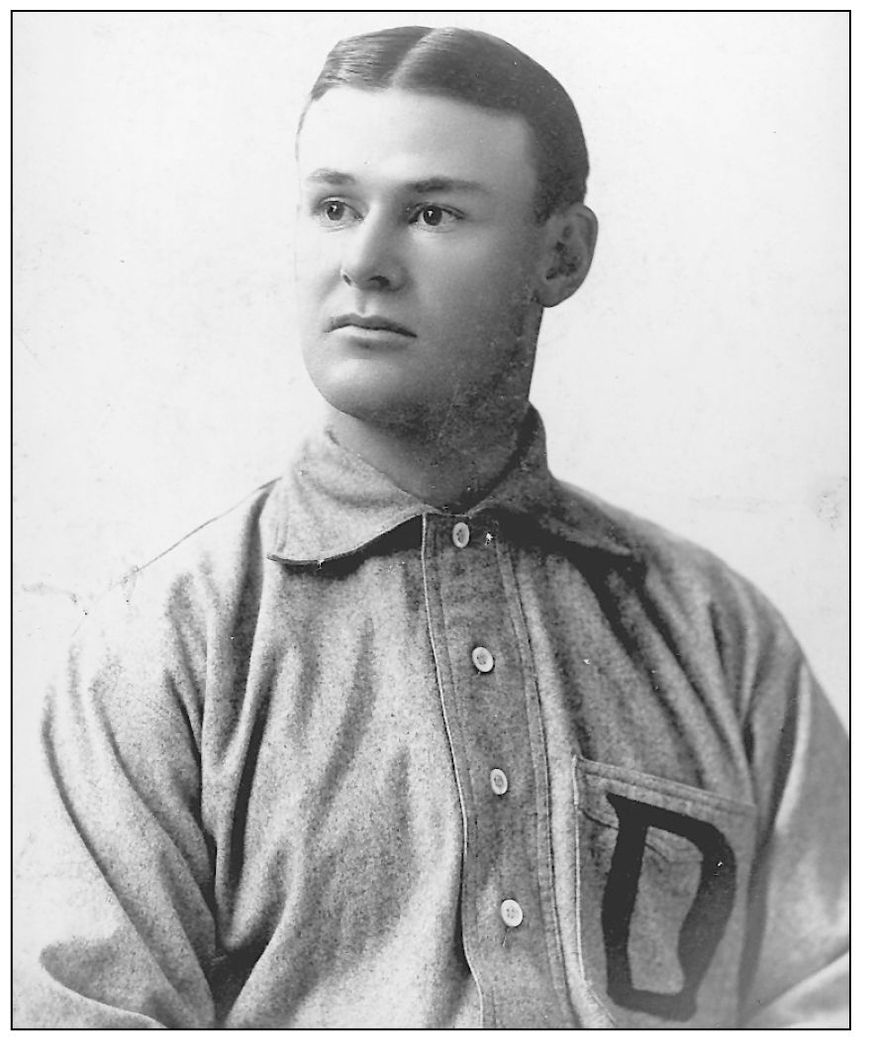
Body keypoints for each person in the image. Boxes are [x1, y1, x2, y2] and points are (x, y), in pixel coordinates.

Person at [13, 25, 847, 1029]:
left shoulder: (717, 635)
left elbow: (834, 1002)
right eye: (333, 207)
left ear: (563, 254)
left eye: (433, 213)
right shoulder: (161, 646)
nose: (365, 262)